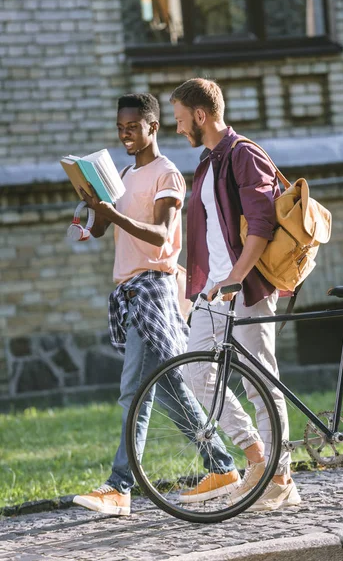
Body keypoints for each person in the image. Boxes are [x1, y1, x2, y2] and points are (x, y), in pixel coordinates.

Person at [73, 93, 238, 516]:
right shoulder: (124, 174)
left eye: (132, 127)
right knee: (167, 389)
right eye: (119, 128)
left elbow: (162, 234)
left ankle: (118, 487)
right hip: (130, 291)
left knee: (134, 391)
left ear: (152, 127)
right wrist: (93, 209)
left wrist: (116, 213)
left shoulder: (167, 174)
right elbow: (103, 229)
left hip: (152, 288)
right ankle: (222, 466)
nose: (125, 134)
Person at [170, 78, 301, 511]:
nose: (177, 128)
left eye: (180, 119)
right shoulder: (209, 161)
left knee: (260, 378)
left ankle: (280, 477)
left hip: (247, 286)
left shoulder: (243, 153)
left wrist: (236, 280)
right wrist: (210, 282)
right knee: (195, 373)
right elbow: (212, 230)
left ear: (201, 116)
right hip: (217, 290)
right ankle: (257, 457)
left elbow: (261, 226)